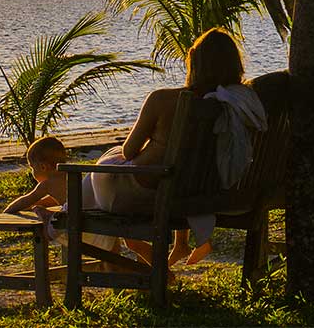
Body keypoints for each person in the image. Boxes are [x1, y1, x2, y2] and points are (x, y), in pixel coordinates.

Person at [90, 27, 250, 266]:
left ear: (194, 61)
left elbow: (129, 151)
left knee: (108, 161)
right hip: (194, 191)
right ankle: (180, 243)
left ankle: (65, 211)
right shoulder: (239, 104)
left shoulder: (163, 99)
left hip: (144, 194)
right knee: (163, 165)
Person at [4, 136, 68, 213]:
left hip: (73, 216)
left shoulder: (47, 185)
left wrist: (7, 211)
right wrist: (34, 204)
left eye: (32, 168)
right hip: (83, 213)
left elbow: (25, 201)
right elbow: (51, 201)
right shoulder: (70, 177)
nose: (32, 171)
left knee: (42, 212)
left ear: (43, 167)